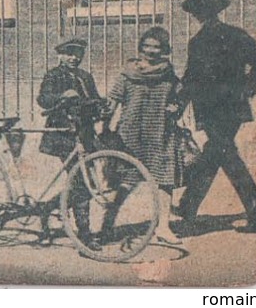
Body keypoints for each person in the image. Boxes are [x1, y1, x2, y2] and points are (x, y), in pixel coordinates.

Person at [173, 0, 256, 234]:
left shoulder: (234, 36)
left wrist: (249, 88)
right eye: (199, 10)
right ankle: (188, 206)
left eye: (204, 9)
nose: (201, 14)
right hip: (214, 109)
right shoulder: (198, 41)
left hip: (226, 107)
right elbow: (191, 78)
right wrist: (178, 102)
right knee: (217, 152)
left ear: (213, 11)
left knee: (224, 154)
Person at [106, 26, 184, 245]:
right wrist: (105, 128)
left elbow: (180, 99)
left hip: (161, 134)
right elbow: (112, 101)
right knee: (125, 182)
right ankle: (107, 225)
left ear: (164, 50)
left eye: (156, 47)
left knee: (164, 181)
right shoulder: (128, 74)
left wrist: (175, 108)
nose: (151, 51)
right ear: (140, 48)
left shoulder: (169, 76)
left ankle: (164, 227)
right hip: (131, 135)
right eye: (147, 46)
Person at [37, 37, 100, 247]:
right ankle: (84, 234)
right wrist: (62, 96)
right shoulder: (53, 75)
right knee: (81, 183)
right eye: (69, 53)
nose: (74, 58)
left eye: (78, 54)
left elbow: (94, 100)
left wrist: (101, 107)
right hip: (63, 133)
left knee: (82, 182)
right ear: (60, 55)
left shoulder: (85, 76)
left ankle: (47, 208)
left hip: (85, 134)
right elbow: (43, 99)